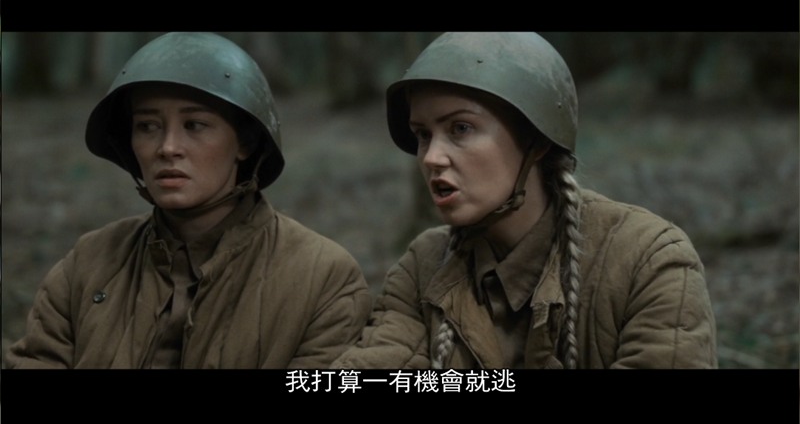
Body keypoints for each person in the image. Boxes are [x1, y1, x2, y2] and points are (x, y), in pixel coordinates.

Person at [331, 32, 717, 369]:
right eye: (423, 135)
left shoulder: (647, 261)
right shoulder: (424, 265)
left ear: (536, 140)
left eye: (460, 128)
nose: (432, 157)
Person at [5, 32, 372, 369]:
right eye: (148, 126)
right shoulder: (89, 263)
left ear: (245, 142)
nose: (167, 148)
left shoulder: (322, 277)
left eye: (195, 125)